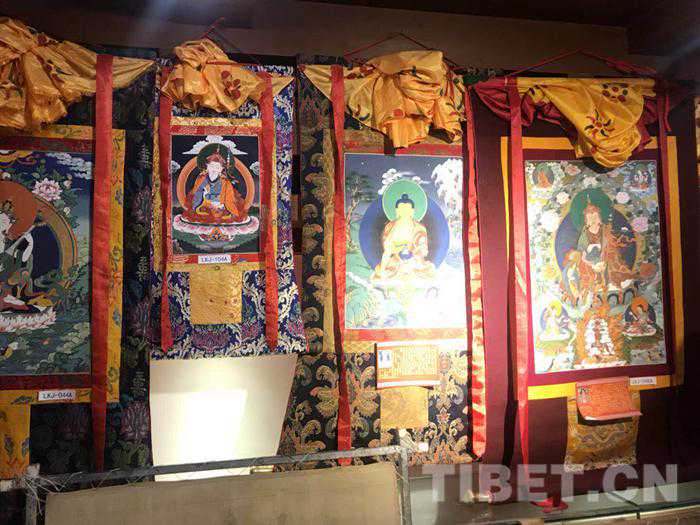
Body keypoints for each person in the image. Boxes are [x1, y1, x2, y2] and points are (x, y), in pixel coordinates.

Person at [371, 193, 436, 283]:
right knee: (381, 270)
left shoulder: (419, 228)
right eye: (402, 209)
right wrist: (382, 269)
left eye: (407, 209)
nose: (405, 211)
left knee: (427, 270)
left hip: (414, 261)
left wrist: (412, 254)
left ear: (412, 211)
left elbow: (422, 250)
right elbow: (387, 251)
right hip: (396, 261)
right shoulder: (390, 227)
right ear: (397, 211)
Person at [183, 151, 246, 223]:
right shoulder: (201, 179)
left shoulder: (225, 182)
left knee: (222, 215)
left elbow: (229, 198)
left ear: (221, 169)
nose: (214, 169)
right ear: (207, 166)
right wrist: (195, 206)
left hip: (221, 204)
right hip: (205, 204)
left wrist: (226, 207)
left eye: (217, 167)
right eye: (212, 166)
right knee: (201, 214)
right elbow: (197, 193)